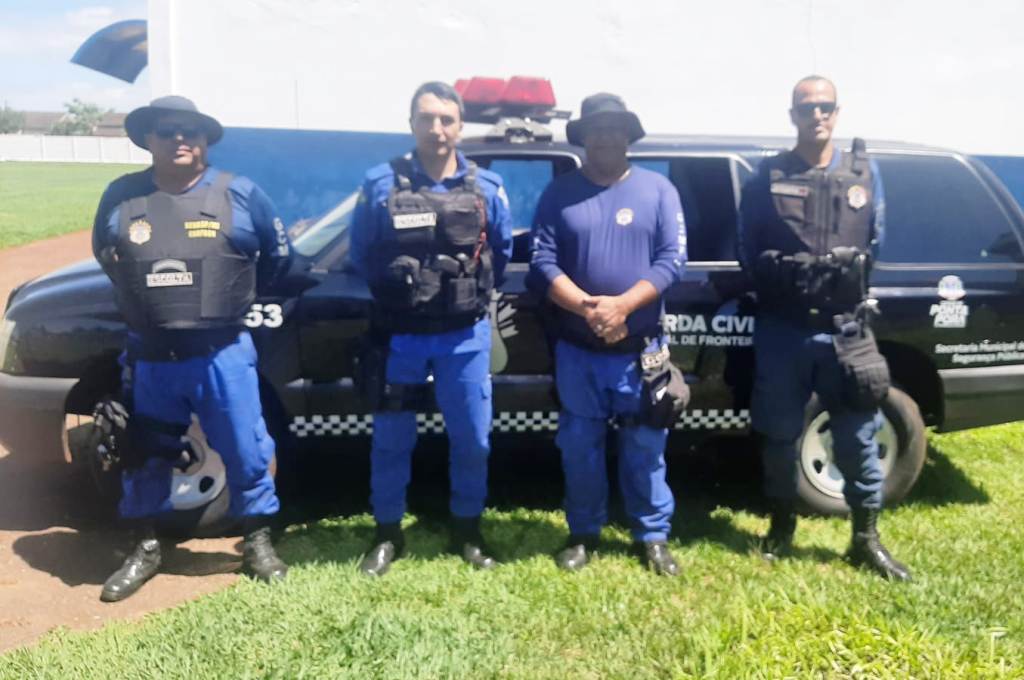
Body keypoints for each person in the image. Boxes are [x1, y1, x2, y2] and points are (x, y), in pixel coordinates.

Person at [91, 95, 292, 601]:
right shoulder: (122, 196)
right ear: (148, 139)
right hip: (151, 358)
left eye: (191, 130)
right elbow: (108, 257)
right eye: (167, 130)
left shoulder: (240, 193)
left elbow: (277, 259)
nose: (180, 138)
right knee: (145, 452)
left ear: (206, 140)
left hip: (222, 353)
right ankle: (146, 546)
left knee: (246, 449)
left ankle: (256, 542)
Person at [737, 75, 911, 581]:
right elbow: (746, 247)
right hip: (784, 329)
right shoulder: (767, 175)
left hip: (846, 331)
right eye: (807, 107)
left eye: (825, 106)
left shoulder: (864, 173)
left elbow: (876, 241)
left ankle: (865, 539)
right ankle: (781, 526)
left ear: (837, 112)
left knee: (858, 436)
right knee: (778, 435)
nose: (817, 115)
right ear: (792, 114)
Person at [348, 81, 513, 576]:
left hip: (464, 335)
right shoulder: (380, 184)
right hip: (400, 335)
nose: (436, 128)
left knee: (473, 439)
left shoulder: (487, 188)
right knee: (391, 438)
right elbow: (361, 252)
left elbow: (501, 252)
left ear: (460, 126)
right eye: (426, 118)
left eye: (446, 119)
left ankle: (468, 530)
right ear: (411, 124)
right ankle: (387, 533)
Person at [530, 93, 687, 575]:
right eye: (595, 129)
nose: (604, 137)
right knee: (580, 446)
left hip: (640, 349)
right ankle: (583, 533)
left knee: (646, 446)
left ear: (627, 135)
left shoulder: (658, 190)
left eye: (614, 128)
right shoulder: (559, 193)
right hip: (578, 349)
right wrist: (587, 307)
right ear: (583, 138)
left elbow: (672, 261)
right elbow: (542, 262)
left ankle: (652, 536)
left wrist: (622, 306)